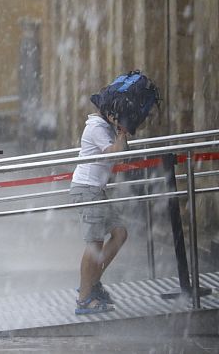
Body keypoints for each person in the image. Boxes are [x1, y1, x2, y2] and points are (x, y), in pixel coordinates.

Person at [72, 70, 159, 315]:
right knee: (94, 244)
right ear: (109, 113)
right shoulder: (97, 128)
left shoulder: (104, 126)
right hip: (86, 190)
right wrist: (121, 132)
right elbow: (114, 153)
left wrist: (122, 132)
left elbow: (123, 153)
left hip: (96, 190)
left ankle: (92, 282)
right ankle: (84, 297)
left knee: (119, 233)